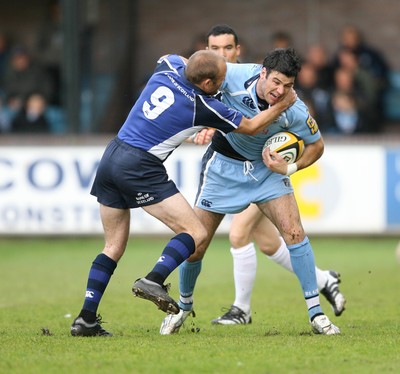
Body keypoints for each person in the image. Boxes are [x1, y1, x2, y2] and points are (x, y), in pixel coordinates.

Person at [70, 50, 296, 337]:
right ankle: (155, 278)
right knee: (196, 232)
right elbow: (251, 126)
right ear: (207, 83)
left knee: (112, 247)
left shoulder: (167, 67)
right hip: (141, 166)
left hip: (112, 157)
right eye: (221, 81)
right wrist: (283, 104)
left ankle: (86, 319)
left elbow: (170, 55)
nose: (224, 85)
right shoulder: (202, 104)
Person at [160, 47, 341, 336]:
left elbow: (317, 146)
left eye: (289, 86)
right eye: (277, 82)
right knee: (196, 244)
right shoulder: (232, 76)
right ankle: (183, 308)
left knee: (294, 232)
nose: (281, 91)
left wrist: (290, 169)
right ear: (263, 73)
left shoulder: (295, 109)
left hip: (266, 172)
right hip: (223, 166)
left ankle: (316, 314)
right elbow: (197, 78)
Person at [199, 25, 345, 325]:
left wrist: (290, 166)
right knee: (267, 243)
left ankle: (242, 309)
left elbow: (308, 140)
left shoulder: (259, 80)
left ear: (238, 50)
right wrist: (206, 125)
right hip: (232, 168)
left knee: (240, 234)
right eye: (214, 49)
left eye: (227, 49)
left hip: (260, 172)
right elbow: (212, 109)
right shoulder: (218, 80)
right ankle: (323, 279)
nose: (221, 55)